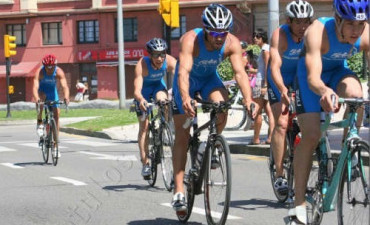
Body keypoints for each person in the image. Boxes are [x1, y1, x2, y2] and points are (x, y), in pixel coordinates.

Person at [171, 3, 256, 214]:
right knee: (182, 134)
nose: (219, 37)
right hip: (188, 80)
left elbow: (240, 73)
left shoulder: (231, 43)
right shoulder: (190, 40)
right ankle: (179, 190)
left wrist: (248, 100)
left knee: (222, 104)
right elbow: (183, 73)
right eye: (215, 33)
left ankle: (212, 143)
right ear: (206, 29)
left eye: (223, 32)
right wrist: (185, 98)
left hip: (209, 79)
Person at [290, 0, 369, 224]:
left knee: (356, 94)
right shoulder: (317, 31)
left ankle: (349, 153)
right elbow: (313, 77)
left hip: (337, 72)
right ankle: (298, 205)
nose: (356, 30)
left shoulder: (365, 34)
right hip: (310, 78)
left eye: (361, 24)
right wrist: (325, 91)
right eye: (351, 24)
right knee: (312, 134)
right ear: (338, 20)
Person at [268, 0, 314, 196]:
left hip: (300, 78)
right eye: (298, 22)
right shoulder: (280, 35)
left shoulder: (312, 34)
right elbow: (274, 66)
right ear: (289, 21)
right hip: (279, 80)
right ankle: (279, 174)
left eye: (306, 22)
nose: (303, 27)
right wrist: (282, 89)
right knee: (282, 122)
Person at [133, 38, 177, 179]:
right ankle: (145, 163)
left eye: (162, 54)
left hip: (158, 87)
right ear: (150, 55)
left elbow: (180, 76)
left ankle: (163, 128)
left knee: (164, 101)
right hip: (143, 93)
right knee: (144, 127)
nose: (159, 58)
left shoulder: (169, 61)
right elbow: (136, 90)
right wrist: (141, 100)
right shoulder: (142, 64)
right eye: (156, 55)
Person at [33, 54, 70, 137]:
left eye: (52, 67)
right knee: (40, 100)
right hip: (42, 92)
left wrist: (66, 97)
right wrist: (36, 98)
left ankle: (55, 144)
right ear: (44, 66)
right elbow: (35, 87)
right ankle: (39, 122)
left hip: (52, 93)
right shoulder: (40, 72)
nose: (50, 70)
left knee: (56, 117)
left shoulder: (59, 72)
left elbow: (65, 86)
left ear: (55, 66)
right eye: (47, 67)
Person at [250, 28, 274, 145]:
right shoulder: (265, 49)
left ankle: (256, 138)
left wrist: (265, 84)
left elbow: (267, 67)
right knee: (269, 110)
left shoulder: (265, 50)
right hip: (265, 81)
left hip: (261, 82)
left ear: (263, 38)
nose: (255, 38)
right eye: (254, 36)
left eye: (258, 36)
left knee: (257, 110)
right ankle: (270, 137)